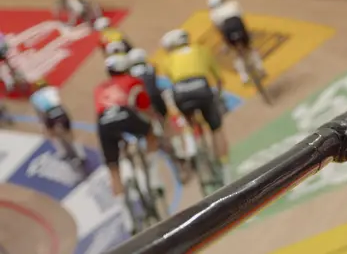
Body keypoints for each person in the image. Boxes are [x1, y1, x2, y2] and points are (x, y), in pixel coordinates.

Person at [93, 53, 163, 231]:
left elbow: (99, 111)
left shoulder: (100, 88)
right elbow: (144, 106)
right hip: (124, 114)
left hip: (104, 123)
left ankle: (126, 217)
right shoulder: (132, 80)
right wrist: (153, 120)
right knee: (151, 134)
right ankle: (153, 178)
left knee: (113, 168)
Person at [159, 28, 229, 168]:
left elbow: (171, 78)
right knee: (216, 128)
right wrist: (219, 95)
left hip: (180, 92)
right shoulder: (202, 50)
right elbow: (219, 79)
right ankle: (225, 166)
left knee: (188, 121)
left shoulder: (168, 58)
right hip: (201, 88)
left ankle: (193, 143)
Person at [206, 0, 265, 85]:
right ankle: (260, 68)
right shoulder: (233, 4)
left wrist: (226, 43)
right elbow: (241, 19)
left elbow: (219, 29)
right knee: (249, 48)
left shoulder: (213, 14)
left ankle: (244, 77)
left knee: (237, 53)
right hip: (238, 25)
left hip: (227, 30)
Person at [29, 78, 83, 164]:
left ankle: (63, 152)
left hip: (48, 114)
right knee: (69, 134)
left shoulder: (34, 97)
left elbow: (39, 113)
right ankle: (80, 154)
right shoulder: (52, 89)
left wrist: (42, 124)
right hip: (60, 111)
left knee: (53, 135)